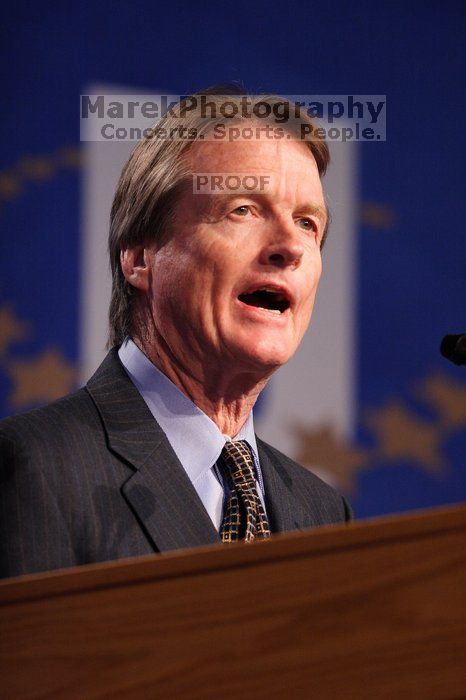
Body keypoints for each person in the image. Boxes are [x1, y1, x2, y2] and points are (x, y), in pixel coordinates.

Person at [0, 86, 352, 579]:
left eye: (307, 223)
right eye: (243, 210)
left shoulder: (323, 515)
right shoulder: (34, 467)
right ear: (141, 257)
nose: (290, 246)